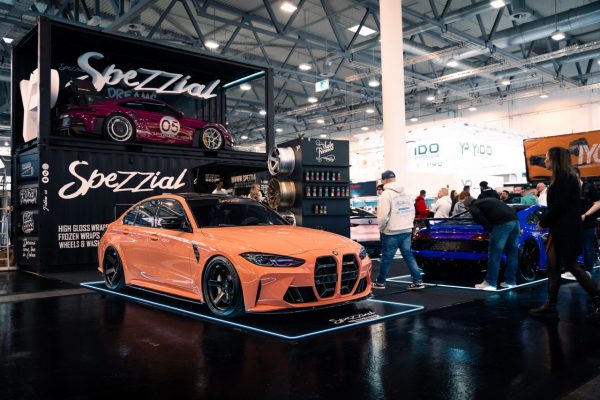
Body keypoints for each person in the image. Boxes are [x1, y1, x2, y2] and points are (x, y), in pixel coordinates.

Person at [530, 147, 600, 320]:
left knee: (570, 264)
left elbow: (559, 206)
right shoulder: (563, 177)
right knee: (554, 267)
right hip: (561, 228)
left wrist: (543, 222)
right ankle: (551, 305)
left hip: (566, 230)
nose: (545, 160)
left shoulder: (564, 178)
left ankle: (597, 299)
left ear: (555, 159)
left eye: (547, 157)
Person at [373, 170, 424, 290]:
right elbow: (412, 211)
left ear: (384, 180)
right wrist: (409, 225)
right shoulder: (406, 193)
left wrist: (382, 228)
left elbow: (382, 216)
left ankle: (380, 282)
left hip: (391, 231)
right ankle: (418, 281)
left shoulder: (386, 194)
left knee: (387, 258)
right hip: (406, 230)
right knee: (408, 256)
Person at [466, 197, 520, 291]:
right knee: (512, 253)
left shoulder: (474, 206)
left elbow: (482, 220)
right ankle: (511, 281)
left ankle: (490, 283)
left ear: (468, 206)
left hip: (502, 223)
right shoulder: (487, 200)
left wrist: (491, 230)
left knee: (494, 253)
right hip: (515, 221)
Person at [562, 167, 599, 279]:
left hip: (588, 223)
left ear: (578, 175)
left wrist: (585, 215)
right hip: (573, 224)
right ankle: (574, 271)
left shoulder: (589, 187)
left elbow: (598, 204)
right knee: (572, 248)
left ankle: (588, 271)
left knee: (587, 247)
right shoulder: (568, 189)